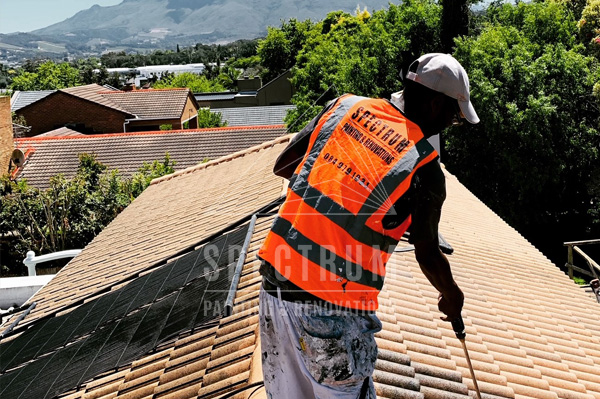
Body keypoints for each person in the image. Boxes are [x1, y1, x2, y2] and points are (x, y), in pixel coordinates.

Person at [257, 53, 480, 399]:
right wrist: (453, 296)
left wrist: (354, 207)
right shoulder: (425, 168)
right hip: (332, 314)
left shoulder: (344, 107)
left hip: (274, 288)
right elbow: (428, 254)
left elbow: (286, 166)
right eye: (454, 117)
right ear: (436, 105)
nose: (451, 123)